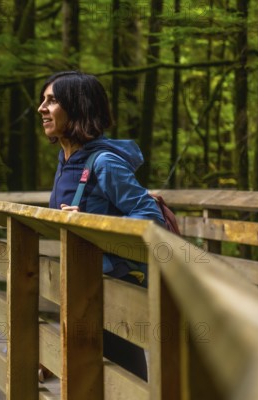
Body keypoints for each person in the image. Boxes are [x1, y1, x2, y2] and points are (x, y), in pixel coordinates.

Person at [37, 71, 165, 381]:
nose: (41, 108)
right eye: (43, 100)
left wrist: (91, 223)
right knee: (94, 377)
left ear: (78, 108)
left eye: (52, 101)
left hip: (115, 286)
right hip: (84, 285)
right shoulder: (67, 160)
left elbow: (151, 218)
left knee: (124, 378)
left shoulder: (104, 162)